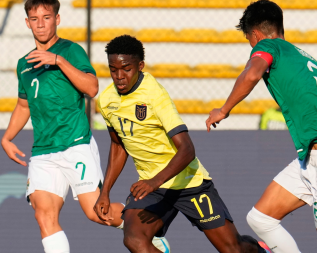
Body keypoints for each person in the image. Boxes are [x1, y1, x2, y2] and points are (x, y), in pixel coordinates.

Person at [0, 0, 169, 252]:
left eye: (46, 17)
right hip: (43, 152)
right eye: (35, 19)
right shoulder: (24, 64)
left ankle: (150, 230)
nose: (41, 23)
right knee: (43, 215)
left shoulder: (70, 51)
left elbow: (92, 88)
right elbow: (24, 105)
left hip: (76, 144)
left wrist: (57, 60)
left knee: (96, 213)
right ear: (27, 23)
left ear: (57, 19)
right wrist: (7, 138)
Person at [205, 1, 317, 253]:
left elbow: (251, 74)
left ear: (256, 35)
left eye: (249, 39)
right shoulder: (300, 55)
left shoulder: (267, 47)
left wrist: (223, 109)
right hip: (312, 158)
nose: (251, 45)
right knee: (260, 218)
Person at [94, 35, 270, 253]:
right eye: (113, 69)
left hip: (188, 184)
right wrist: (105, 192)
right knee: (134, 240)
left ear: (140, 66)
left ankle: (260, 250)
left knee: (233, 249)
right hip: (153, 189)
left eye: (126, 69)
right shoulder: (106, 100)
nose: (119, 76)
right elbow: (118, 145)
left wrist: (153, 182)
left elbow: (187, 150)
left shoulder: (155, 95)